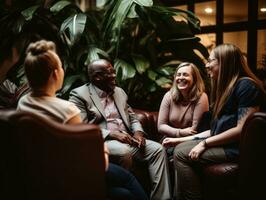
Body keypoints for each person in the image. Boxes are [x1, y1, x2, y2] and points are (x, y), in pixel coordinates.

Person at [17, 40, 148, 200]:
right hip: (69, 175)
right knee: (128, 180)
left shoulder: (23, 103)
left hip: (39, 175)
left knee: (123, 194)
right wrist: (104, 150)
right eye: (61, 67)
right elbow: (91, 159)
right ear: (56, 74)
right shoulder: (66, 110)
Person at [162, 43, 266, 200]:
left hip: (236, 149)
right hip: (224, 144)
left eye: (211, 60)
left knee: (181, 153)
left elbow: (241, 130)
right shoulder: (227, 89)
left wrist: (204, 144)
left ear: (223, 62)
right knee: (179, 147)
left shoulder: (246, 85)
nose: (207, 65)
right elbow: (215, 131)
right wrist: (179, 139)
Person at [69, 59, 171, 200]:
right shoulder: (79, 95)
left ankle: (162, 198)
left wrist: (138, 132)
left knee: (157, 149)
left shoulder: (119, 92)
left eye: (113, 71)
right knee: (124, 152)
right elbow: (81, 127)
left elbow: (132, 117)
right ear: (97, 77)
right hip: (104, 141)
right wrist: (111, 134)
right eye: (110, 72)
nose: (114, 75)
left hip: (129, 138)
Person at [158, 62, 209, 138]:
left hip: (191, 140)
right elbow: (161, 126)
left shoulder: (202, 97)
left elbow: (194, 131)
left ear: (194, 79)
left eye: (185, 75)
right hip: (169, 138)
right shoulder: (169, 95)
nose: (181, 78)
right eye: (178, 75)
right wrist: (180, 132)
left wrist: (174, 133)